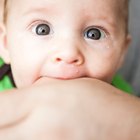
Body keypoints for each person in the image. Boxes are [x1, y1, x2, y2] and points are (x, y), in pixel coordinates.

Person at [0, 0, 140, 139]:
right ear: (5, 43)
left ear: (122, 53)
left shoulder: (122, 102)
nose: (68, 53)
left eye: (94, 34)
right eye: (42, 29)